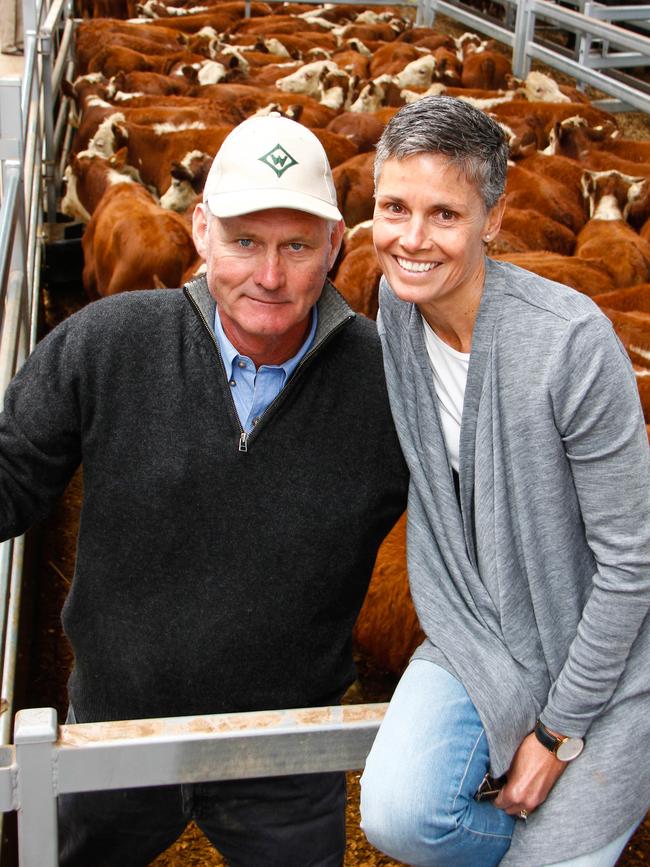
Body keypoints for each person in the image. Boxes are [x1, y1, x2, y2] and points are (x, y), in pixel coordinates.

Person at [0, 113, 408, 866]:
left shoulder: (387, 386)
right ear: (199, 230)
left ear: (337, 247)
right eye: (244, 241)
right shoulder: (109, 342)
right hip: (114, 736)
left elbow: (474, 531)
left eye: (296, 245)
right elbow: (12, 472)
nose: (270, 276)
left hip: (286, 750)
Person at [359, 95, 650, 867]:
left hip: (610, 654)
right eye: (394, 207)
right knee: (396, 815)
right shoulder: (393, 303)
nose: (412, 240)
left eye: (444, 215)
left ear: (492, 219)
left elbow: (632, 562)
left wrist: (559, 731)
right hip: (479, 625)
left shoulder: (570, 342)